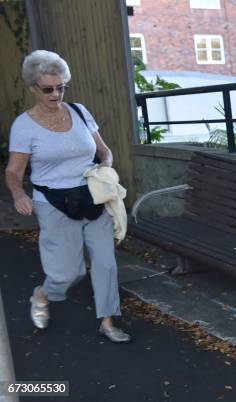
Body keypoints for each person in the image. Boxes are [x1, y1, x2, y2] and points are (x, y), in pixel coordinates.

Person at [4, 50, 130, 343]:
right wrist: (18, 193)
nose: (56, 94)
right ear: (33, 87)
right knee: (69, 272)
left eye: (61, 87)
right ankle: (43, 294)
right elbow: (13, 171)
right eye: (48, 88)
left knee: (105, 263)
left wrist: (105, 171)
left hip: (91, 196)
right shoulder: (24, 125)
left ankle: (108, 322)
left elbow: (104, 151)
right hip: (53, 203)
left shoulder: (80, 111)